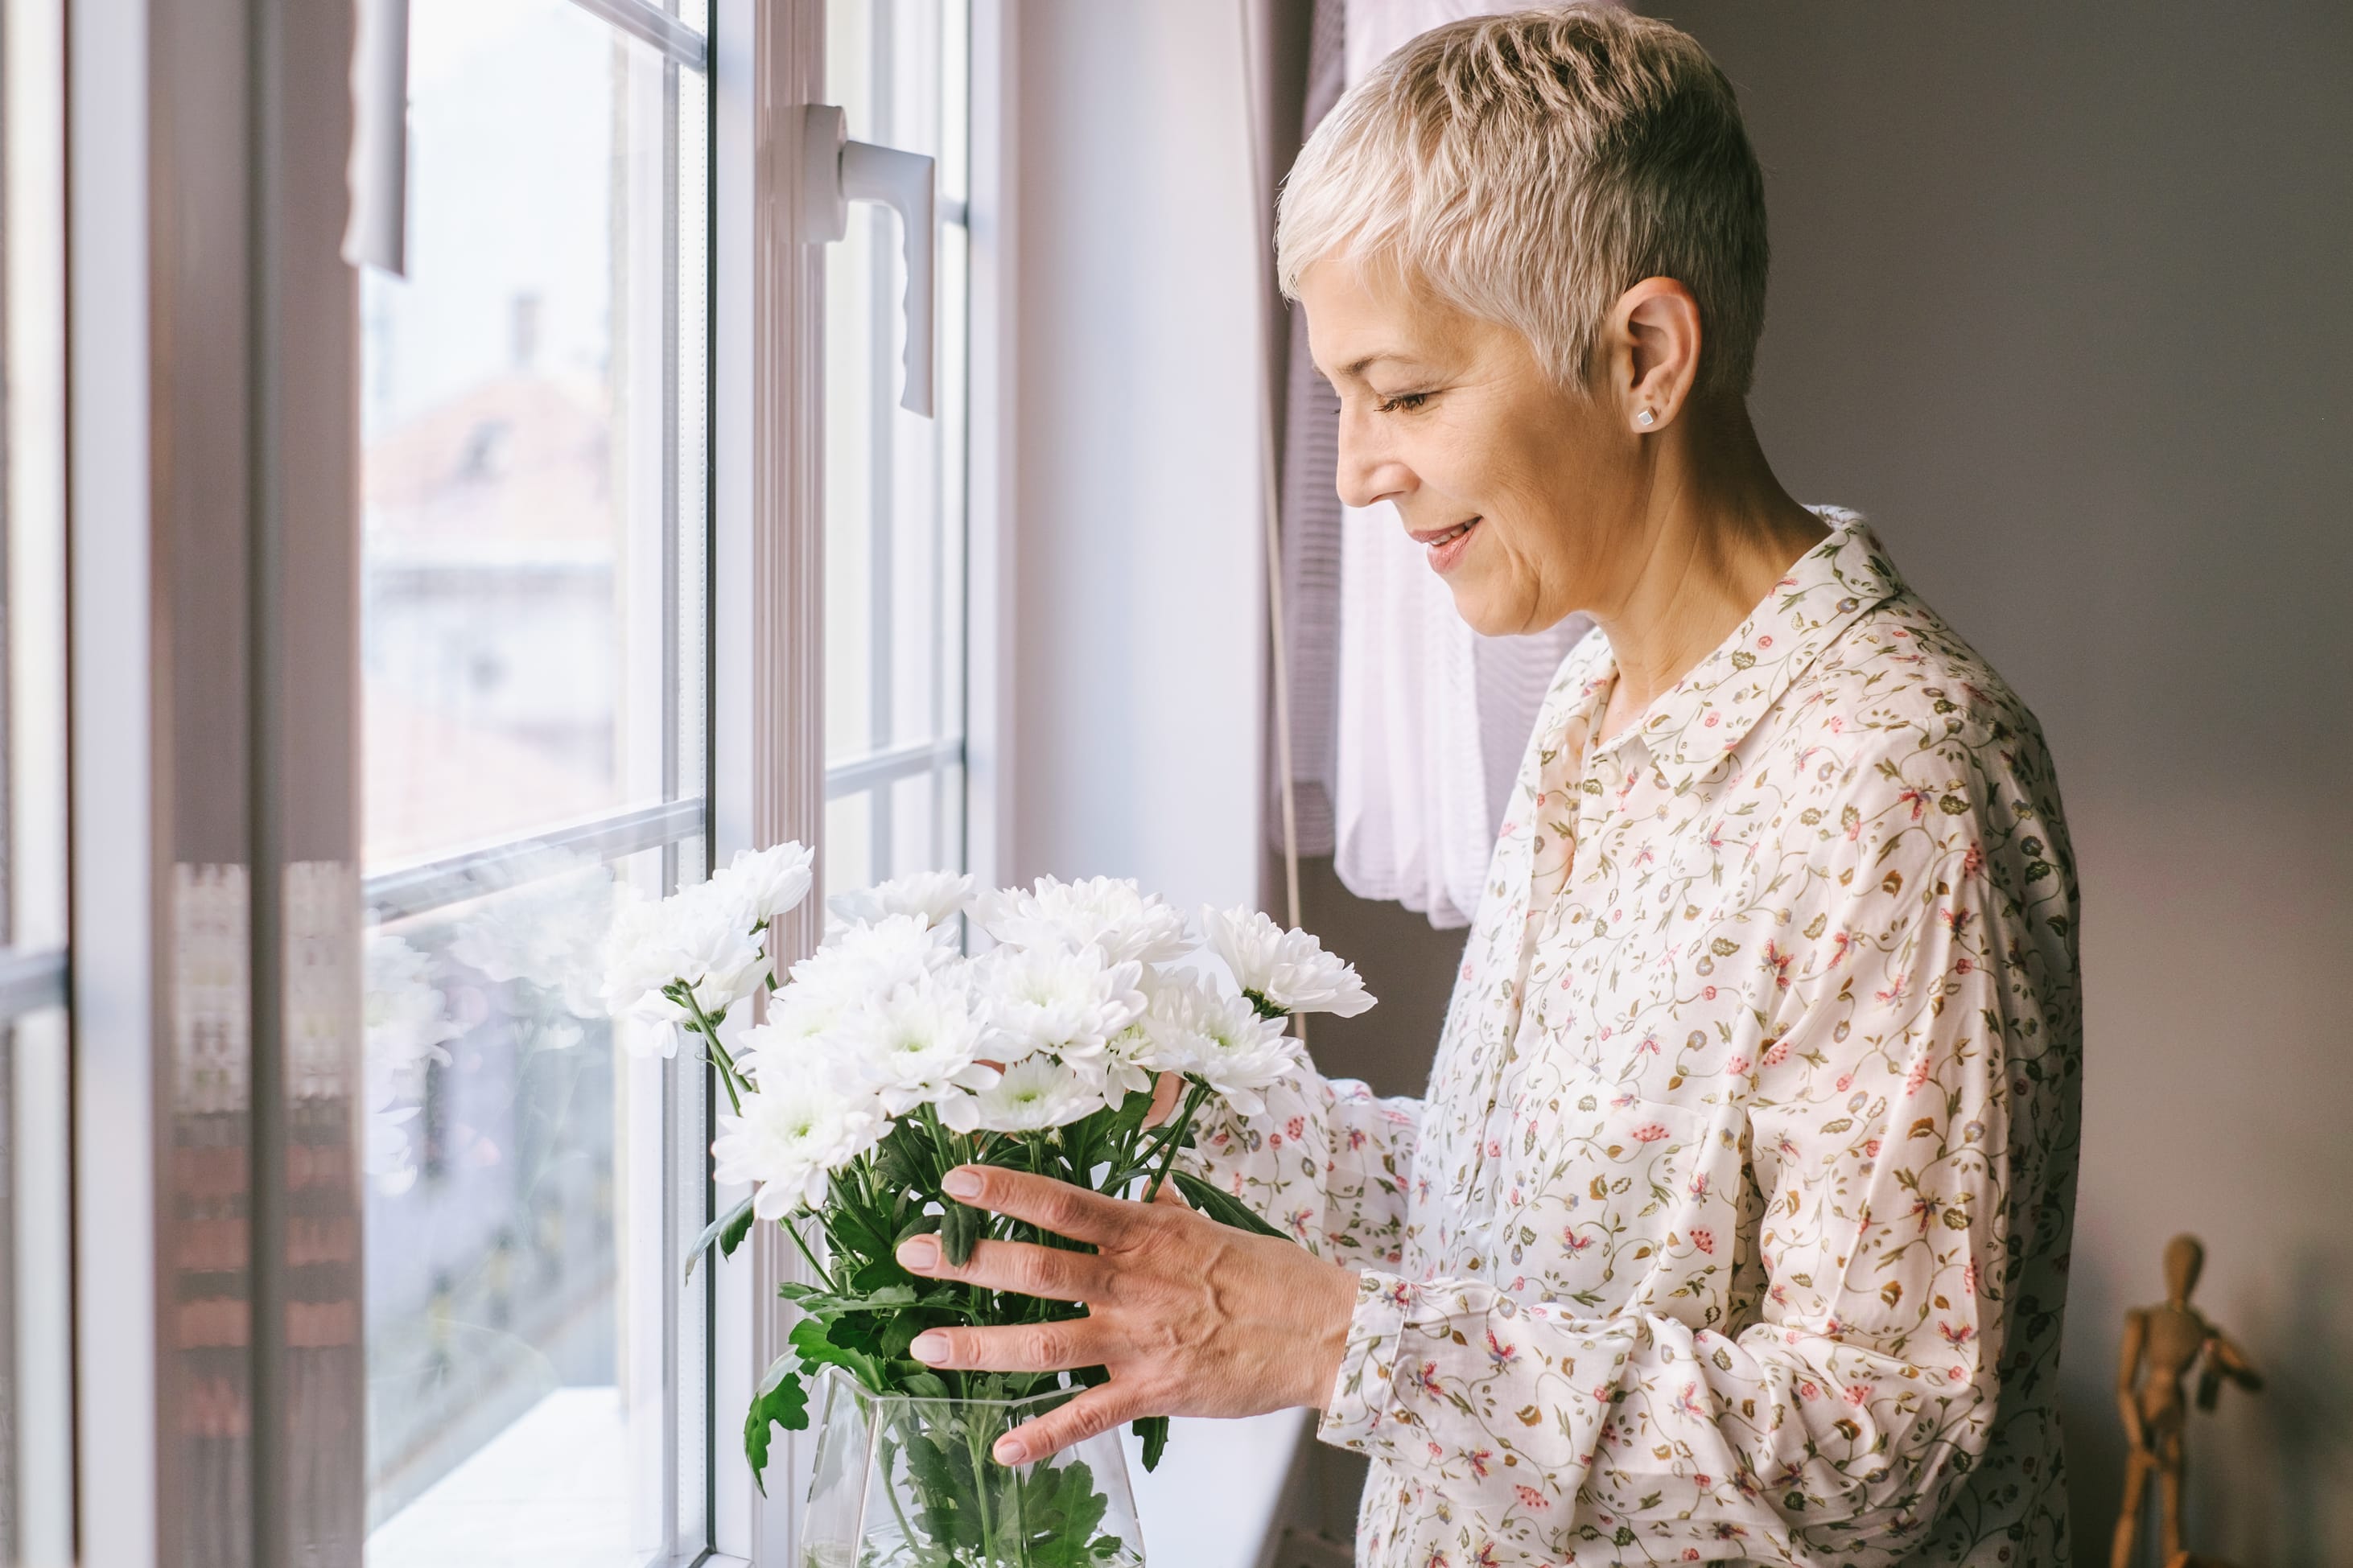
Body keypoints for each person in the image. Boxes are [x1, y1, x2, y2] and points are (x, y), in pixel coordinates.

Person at [887, 8, 2082, 1564]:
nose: (1354, 474)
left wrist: (1333, 1343)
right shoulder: (1598, 695)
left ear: (1642, 355)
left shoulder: (1900, 779)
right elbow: (1529, 1226)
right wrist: (1184, 1107)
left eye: (1404, 393)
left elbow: (1879, 1444)